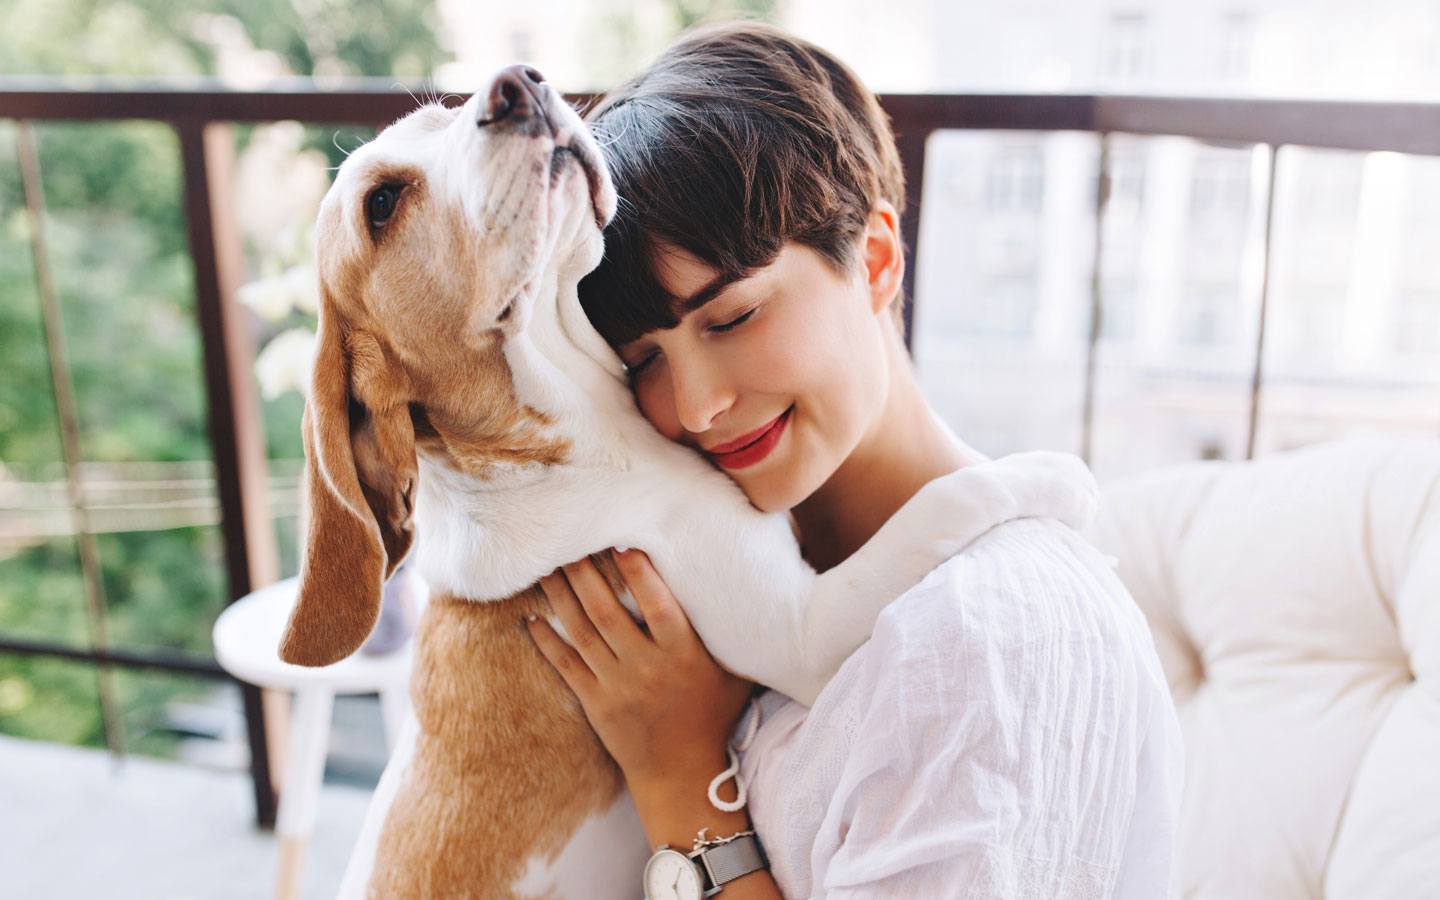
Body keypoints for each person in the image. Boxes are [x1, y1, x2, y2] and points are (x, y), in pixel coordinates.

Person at [523, 22, 1183, 898]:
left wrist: (680, 778)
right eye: (645, 360)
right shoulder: (729, 573)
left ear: (873, 258)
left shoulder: (977, 643)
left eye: (732, 318)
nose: (696, 406)